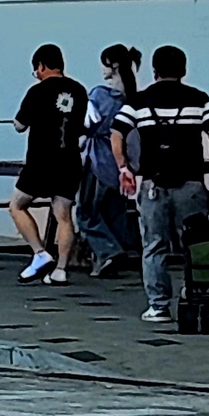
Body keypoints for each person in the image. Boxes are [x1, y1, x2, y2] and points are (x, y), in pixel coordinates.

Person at [112, 45, 209, 324]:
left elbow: (117, 132)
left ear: (154, 71)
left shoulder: (139, 101)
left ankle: (159, 306)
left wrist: (123, 168)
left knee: (154, 246)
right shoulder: (199, 98)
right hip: (191, 184)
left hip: (154, 184)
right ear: (184, 70)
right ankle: (194, 293)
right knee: (196, 244)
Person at [5, 45, 89, 284]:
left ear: (41, 66)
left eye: (36, 70)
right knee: (64, 215)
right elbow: (82, 125)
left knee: (17, 205)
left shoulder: (37, 91)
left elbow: (20, 125)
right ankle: (61, 270)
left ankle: (40, 253)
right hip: (69, 160)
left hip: (41, 161)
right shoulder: (79, 91)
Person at [76, 44, 141, 276]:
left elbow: (86, 125)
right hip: (123, 165)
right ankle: (126, 251)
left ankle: (109, 253)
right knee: (115, 212)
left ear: (111, 65)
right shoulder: (132, 98)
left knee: (87, 212)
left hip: (99, 161)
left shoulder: (100, 95)